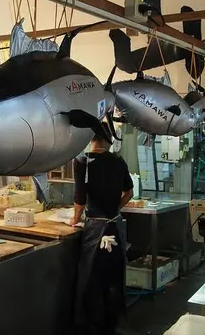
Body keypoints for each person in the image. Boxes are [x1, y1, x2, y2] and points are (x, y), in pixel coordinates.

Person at [71, 122, 134, 335]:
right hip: (115, 224)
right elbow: (129, 192)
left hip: (95, 228)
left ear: (91, 139)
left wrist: (74, 220)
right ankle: (112, 320)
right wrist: (115, 208)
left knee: (91, 274)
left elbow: (79, 200)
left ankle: (89, 323)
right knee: (114, 273)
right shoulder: (118, 161)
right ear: (108, 140)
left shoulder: (82, 161)